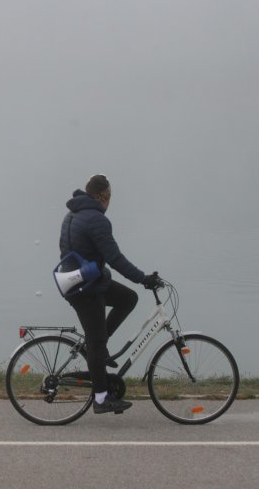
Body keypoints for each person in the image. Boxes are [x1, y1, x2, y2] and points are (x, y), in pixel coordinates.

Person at [59, 174, 160, 415]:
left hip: (80, 279)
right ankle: (101, 398)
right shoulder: (97, 220)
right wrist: (143, 278)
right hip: (84, 288)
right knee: (95, 342)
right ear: (103, 197)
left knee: (128, 299)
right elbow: (115, 258)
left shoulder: (71, 214)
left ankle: (99, 350)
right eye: (110, 196)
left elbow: (69, 250)